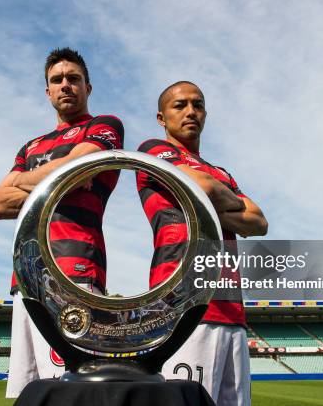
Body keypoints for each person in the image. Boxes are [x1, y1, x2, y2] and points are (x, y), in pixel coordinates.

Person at [0, 47, 124, 398]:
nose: (65, 85)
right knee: (29, 393)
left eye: (73, 79)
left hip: (74, 273)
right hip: (25, 279)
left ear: (88, 88)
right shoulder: (31, 145)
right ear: (47, 91)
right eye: (57, 80)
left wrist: (24, 180)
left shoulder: (104, 126)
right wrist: (58, 178)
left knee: (73, 392)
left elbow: (76, 172)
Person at [136, 81, 267, 406]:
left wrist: (208, 198)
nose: (191, 111)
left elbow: (259, 222)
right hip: (183, 307)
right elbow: (202, 188)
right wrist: (232, 202)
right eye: (180, 105)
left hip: (231, 310)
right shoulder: (153, 150)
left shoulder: (221, 171)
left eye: (198, 104)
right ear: (161, 118)